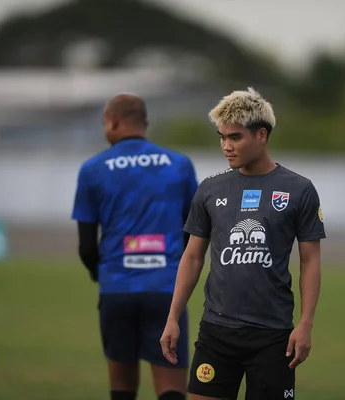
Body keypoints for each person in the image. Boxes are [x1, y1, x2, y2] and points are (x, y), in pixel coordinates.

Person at [160, 87, 326, 400]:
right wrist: (172, 318)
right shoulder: (210, 189)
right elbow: (193, 257)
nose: (226, 146)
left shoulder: (299, 190)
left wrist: (306, 323)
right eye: (222, 137)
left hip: (273, 335)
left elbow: (310, 261)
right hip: (217, 331)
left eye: (235, 137)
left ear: (261, 135)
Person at [71, 93, 198, 400]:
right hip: (166, 290)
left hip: (117, 288)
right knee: (171, 388)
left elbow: (87, 246)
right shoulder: (179, 165)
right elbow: (194, 231)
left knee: (123, 389)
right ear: (146, 124)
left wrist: (100, 273)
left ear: (112, 121)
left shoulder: (93, 168)